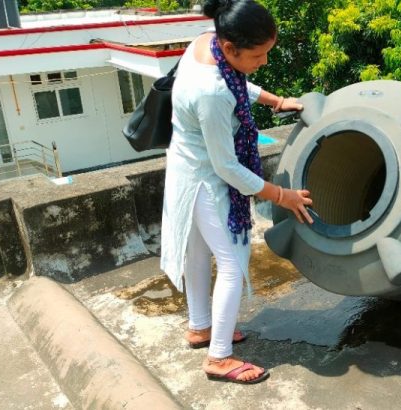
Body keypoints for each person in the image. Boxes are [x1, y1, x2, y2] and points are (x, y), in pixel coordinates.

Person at [160, 0, 313, 384]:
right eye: (258, 55)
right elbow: (227, 167)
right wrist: (281, 195)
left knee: (197, 253)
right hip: (203, 177)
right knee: (232, 263)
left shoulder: (207, 42)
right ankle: (219, 357)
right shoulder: (212, 93)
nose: (264, 61)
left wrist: (275, 101)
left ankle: (201, 327)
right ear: (230, 48)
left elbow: (237, 80)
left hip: (185, 166)